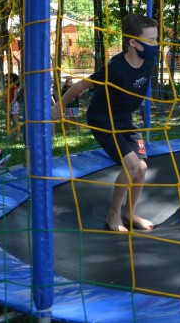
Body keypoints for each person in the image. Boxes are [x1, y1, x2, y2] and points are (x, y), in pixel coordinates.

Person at [52, 13, 159, 232]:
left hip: (124, 119)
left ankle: (129, 214)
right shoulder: (115, 68)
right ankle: (113, 214)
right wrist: (59, 107)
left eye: (156, 39)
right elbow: (82, 85)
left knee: (141, 168)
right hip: (103, 120)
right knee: (131, 165)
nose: (156, 44)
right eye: (151, 40)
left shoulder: (149, 61)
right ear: (133, 42)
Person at [6, 73, 20, 141]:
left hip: (13, 105)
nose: (6, 79)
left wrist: (11, 105)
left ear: (11, 78)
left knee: (15, 120)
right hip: (8, 104)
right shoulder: (7, 86)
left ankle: (17, 136)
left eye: (7, 77)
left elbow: (14, 98)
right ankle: (9, 135)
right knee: (7, 121)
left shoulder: (14, 87)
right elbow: (6, 95)